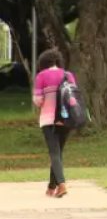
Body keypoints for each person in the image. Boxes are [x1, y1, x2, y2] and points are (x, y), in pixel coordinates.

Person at [32, 49, 74, 198]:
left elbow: (38, 101)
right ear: (58, 61)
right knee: (58, 153)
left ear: (43, 62)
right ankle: (51, 187)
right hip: (67, 119)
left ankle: (62, 185)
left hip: (49, 120)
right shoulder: (68, 75)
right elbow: (73, 98)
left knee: (54, 153)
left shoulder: (41, 76)